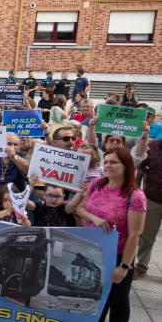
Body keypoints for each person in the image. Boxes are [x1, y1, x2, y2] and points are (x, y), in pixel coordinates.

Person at [75, 148, 146, 322]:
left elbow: (135, 234)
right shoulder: (98, 184)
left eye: (113, 162)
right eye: (106, 162)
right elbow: (80, 208)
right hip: (91, 252)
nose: (108, 165)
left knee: (118, 301)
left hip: (118, 255)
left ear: (126, 166)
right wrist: (95, 218)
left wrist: (124, 266)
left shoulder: (136, 196)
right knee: (94, 300)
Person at [134, 138, 162, 279]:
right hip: (153, 198)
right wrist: (147, 173)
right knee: (147, 236)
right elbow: (139, 163)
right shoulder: (153, 146)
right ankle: (141, 267)